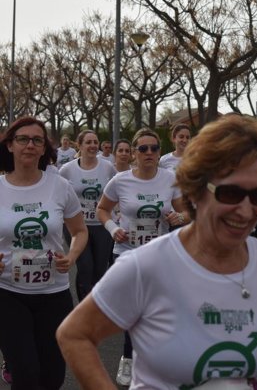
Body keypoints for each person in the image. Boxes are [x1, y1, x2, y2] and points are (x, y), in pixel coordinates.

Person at [57, 114, 257, 389]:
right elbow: (75, 334)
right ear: (195, 191)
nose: (246, 211)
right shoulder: (147, 265)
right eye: (230, 194)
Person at [94, 127, 188, 386]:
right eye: (143, 149)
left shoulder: (170, 179)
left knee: (158, 310)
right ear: (134, 153)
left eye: (154, 148)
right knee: (133, 311)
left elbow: (186, 213)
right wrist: (114, 229)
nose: (149, 153)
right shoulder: (121, 180)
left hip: (161, 255)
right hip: (128, 254)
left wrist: (178, 218)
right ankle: (128, 357)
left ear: (159, 152)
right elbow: (102, 209)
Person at [0, 116, 88, 389]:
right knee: (25, 374)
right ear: (10, 146)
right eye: (23, 139)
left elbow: (79, 231)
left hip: (53, 293)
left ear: (44, 149)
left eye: (37, 140)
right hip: (7, 292)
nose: (30, 145)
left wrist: (72, 256)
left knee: (52, 376)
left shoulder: (60, 186)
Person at [59, 130, 116, 302]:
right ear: (80, 145)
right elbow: (58, 195)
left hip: (101, 225)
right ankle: (85, 305)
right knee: (85, 267)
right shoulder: (67, 170)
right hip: (76, 227)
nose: (93, 146)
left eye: (95, 142)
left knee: (100, 269)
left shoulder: (107, 167)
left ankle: (96, 303)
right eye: (88, 142)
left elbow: (118, 191)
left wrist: (119, 214)